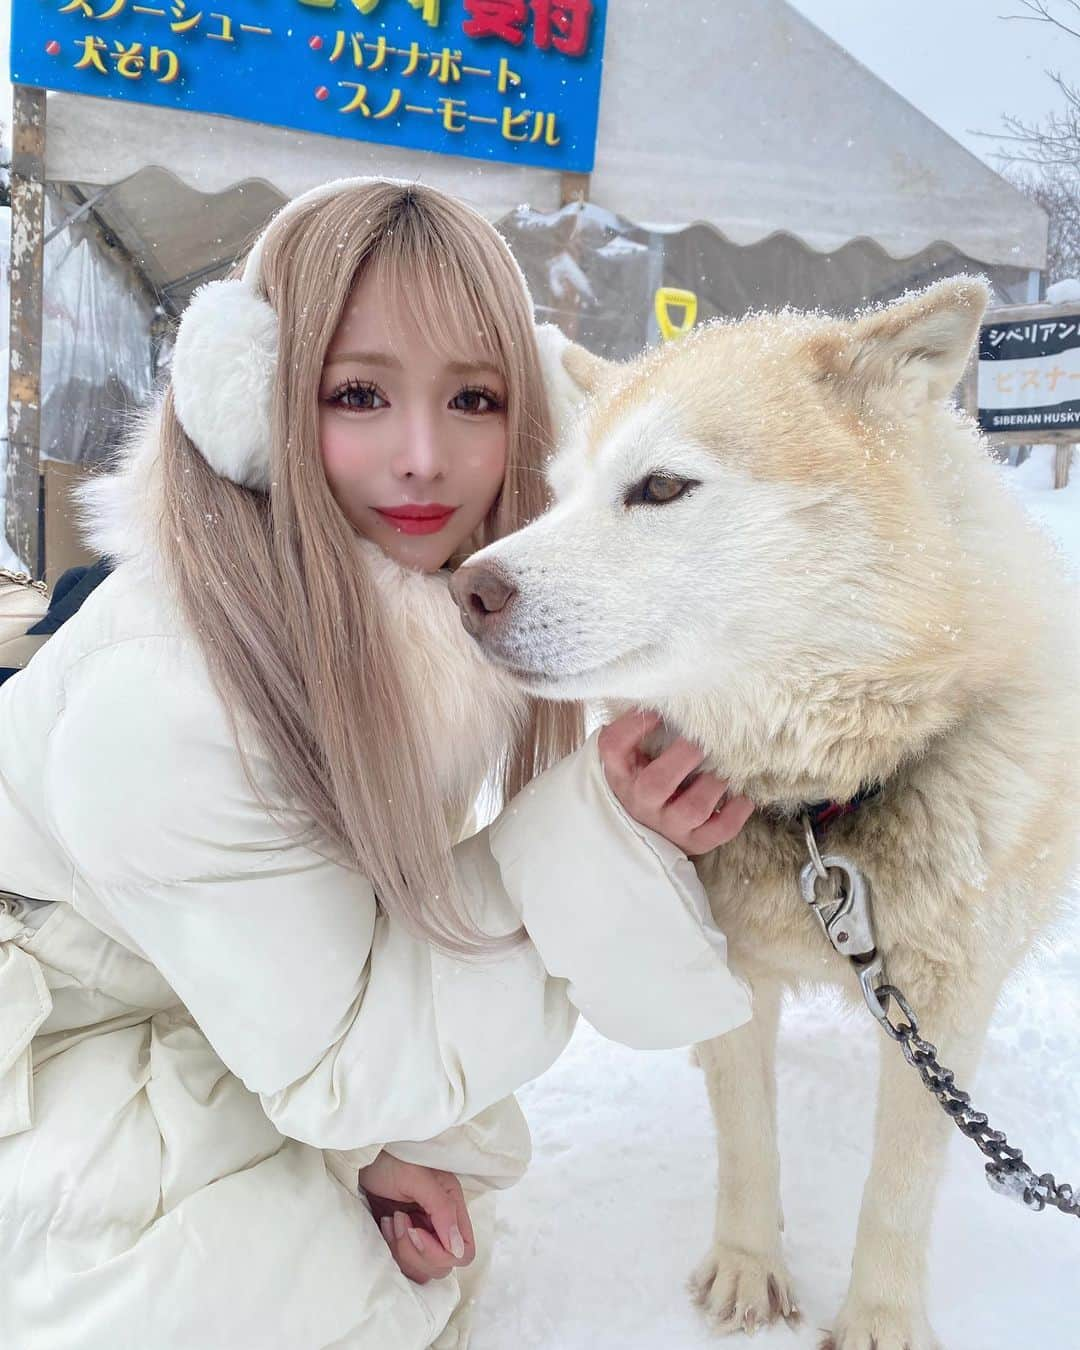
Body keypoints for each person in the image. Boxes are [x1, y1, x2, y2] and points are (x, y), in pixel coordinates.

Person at [0, 177, 754, 1349]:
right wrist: (598, 835)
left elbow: (332, 943)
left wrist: (373, 1143)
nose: (423, 459)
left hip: (195, 994)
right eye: (357, 394)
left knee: (418, 1194)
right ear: (251, 405)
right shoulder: (169, 701)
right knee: (279, 1298)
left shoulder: (405, 617)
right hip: (48, 1028)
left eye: (475, 398)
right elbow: (348, 1055)